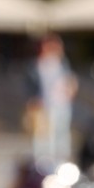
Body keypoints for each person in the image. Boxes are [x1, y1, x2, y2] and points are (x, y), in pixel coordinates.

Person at [24, 33, 77, 171]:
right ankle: (42, 167)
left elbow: (70, 81)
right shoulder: (36, 65)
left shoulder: (62, 64)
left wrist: (71, 89)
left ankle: (60, 164)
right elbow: (30, 86)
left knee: (61, 136)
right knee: (42, 139)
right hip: (43, 107)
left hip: (61, 105)